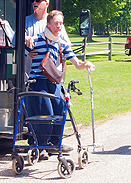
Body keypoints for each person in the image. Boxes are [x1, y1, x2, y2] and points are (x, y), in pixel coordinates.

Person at [25, 10, 95, 160]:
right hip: (37, 81)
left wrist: (86, 64)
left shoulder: (62, 43)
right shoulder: (35, 39)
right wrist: (26, 45)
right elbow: (20, 52)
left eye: (61, 24)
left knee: (59, 110)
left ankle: (54, 143)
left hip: (54, 81)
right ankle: (40, 146)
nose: (59, 26)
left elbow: (77, 63)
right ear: (48, 24)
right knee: (45, 112)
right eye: (56, 23)